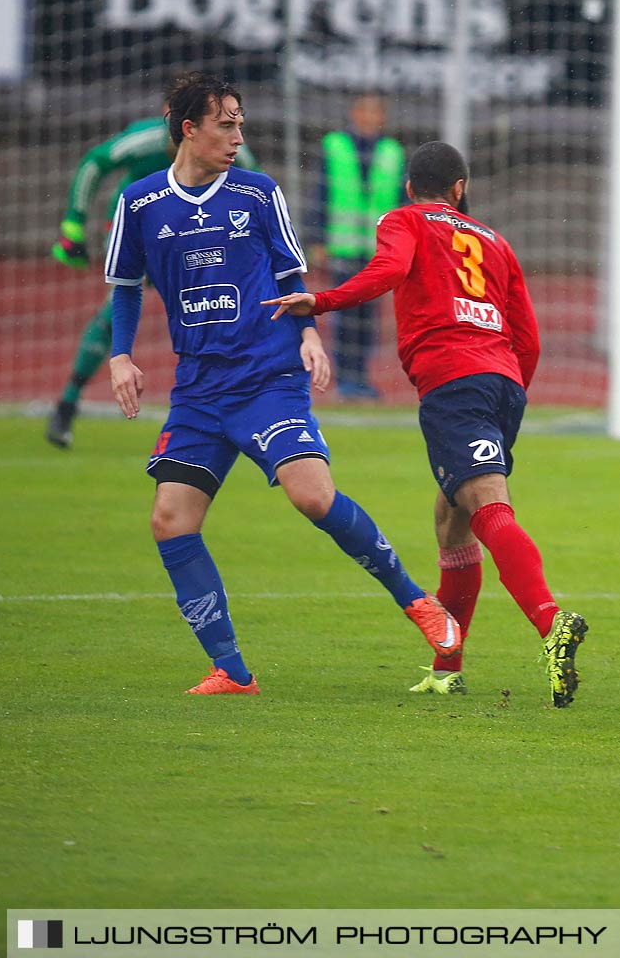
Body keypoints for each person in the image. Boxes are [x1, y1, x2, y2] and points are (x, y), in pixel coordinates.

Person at [102, 73, 460, 695]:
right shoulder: (139, 204)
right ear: (190, 129)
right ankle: (231, 671)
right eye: (226, 123)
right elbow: (127, 287)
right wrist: (120, 356)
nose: (239, 135)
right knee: (170, 518)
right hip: (198, 390)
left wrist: (310, 336)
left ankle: (416, 601)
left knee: (311, 496)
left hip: (267, 376)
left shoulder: (259, 194)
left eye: (241, 122)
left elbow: (293, 271)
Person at [263, 141, 589, 708]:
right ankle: (447, 666)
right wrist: (509, 393)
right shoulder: (496, 241)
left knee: (486, 503)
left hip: (452, 381)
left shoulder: (404, 219)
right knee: (450, 519)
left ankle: (550, 623)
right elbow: (528, 334)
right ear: (460, 188)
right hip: (503, 381)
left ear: (411, 187)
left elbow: (388, 270)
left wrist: (320, 302)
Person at [44, 74, 257, 448]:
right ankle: (67, 404)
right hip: (139, 237)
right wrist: (74, 222)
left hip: (198, 238)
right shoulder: (147, 142)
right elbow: (95, 163)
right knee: (117, 314)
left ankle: (234, 405)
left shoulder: (232, 153)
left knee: (225, 311)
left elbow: (257, 193)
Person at [307, 92, 405, 401]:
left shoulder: (393, 151)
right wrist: (316, 239)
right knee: (345, 314)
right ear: (354, 114)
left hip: (377, 249)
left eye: (375, 112)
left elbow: (401, 200)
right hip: (343, 245)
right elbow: (320, 192)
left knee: (369, 318)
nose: (369, 118)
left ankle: (361, 377)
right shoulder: (335, 146)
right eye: (365, 111)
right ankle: (346, 378)